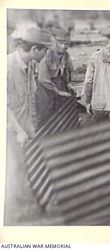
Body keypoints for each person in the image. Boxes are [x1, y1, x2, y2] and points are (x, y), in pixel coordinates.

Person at [6, 28, 51, 225]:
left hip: (25, 127)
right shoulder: (6, 67)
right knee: (15, 169)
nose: (46, 55)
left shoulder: (31, 66)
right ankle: (15, 216)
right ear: (34, 49)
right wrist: (19, 130)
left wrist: (31, 127)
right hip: (9, 129)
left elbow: (30, 99)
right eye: (45, 51)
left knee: (31, 165)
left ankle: (30, 205)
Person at [35, 28, 74, 130]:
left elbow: (65, 72)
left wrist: (68, 84)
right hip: (45, 88)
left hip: (59, 83)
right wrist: (58, 92)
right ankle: (42, 137)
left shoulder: (66, 55)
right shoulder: (46, 55)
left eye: (66, 44)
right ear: (54, 42)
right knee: (45, 113)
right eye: (61, 43)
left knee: (61, 110)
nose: (64, 46)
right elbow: (43, 79)